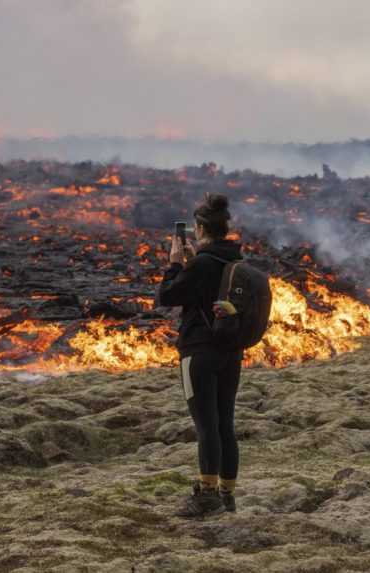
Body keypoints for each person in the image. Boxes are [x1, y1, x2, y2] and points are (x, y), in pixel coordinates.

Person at [158, 193, 244, 517]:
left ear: (199, 228)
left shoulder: (203, 264)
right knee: (225, 424)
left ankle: (206, 496)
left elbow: (167, 296)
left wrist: (175, 265)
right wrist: (193, 263)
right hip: (231, 352)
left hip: (199, 352)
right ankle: (227, 495)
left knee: (206, 425)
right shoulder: (233, 260)